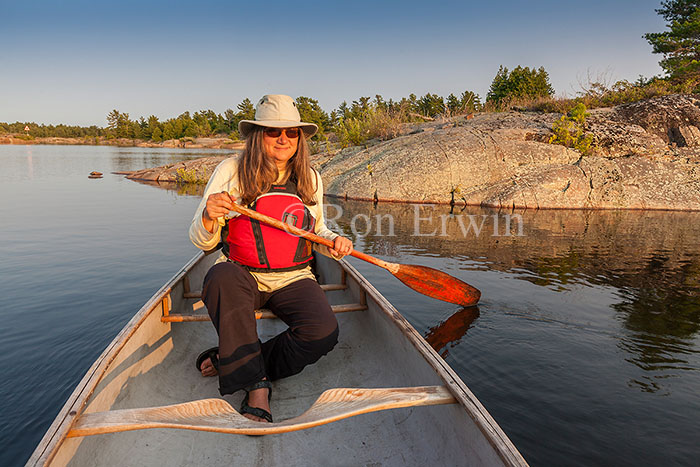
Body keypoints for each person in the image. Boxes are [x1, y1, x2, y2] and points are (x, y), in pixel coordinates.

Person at [189, 94, 353, 423]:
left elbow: (316, 229)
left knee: (324, 331)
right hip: (241, 273)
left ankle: (233, 361)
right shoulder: (231, 171)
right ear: (257, 135)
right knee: (219, 279)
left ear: (300, 138)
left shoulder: (311, 178)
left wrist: (334, 240)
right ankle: (257, 387)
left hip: (293, 277)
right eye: (272, 131)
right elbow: (200, 239)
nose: (283, 138)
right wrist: (209, 215)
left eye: (291, 132)